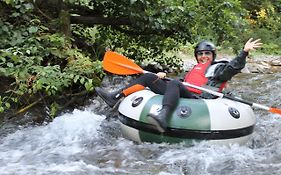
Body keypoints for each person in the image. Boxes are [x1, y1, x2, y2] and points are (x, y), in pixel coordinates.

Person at [95, 38, 262, 132]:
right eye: (200, 54)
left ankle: (163, 117)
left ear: (213, 55)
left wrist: (244, 52)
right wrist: (162, 77)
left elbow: (233, 68)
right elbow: (184, 83)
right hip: (185, 92)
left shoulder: (218, 68)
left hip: (200, 99)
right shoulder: (195, 69)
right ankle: (114, 97)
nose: (204, 56)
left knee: (174, 83)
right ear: (197, 56)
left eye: (207, 54)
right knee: (149, 78)